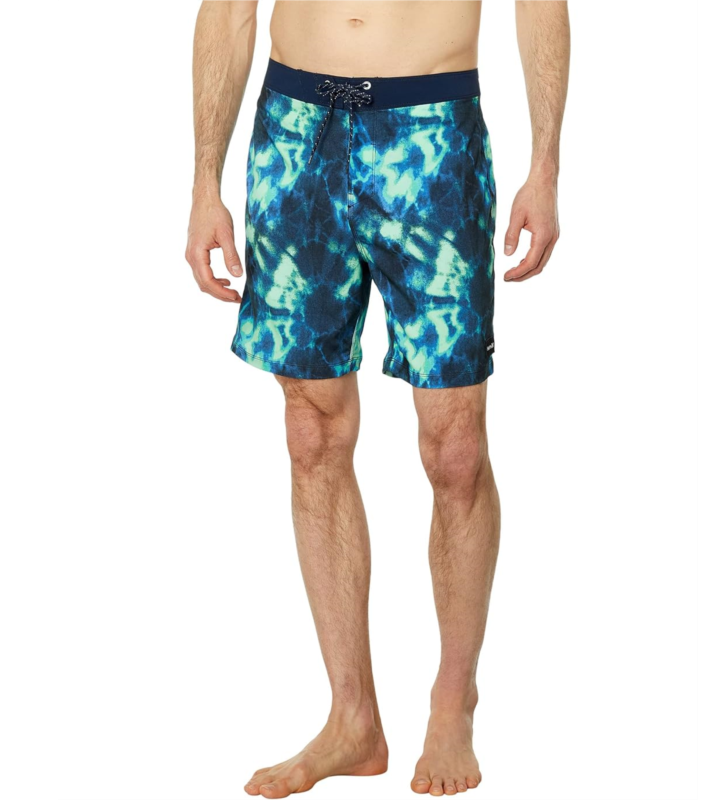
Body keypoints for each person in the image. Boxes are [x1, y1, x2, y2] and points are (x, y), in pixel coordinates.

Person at [185, 1, 570, 796]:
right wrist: (203, 181)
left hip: (432, 136)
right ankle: (351, 719)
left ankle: (452, 702)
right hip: (296, 134)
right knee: (311, 431)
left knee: (455, 448)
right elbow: (227, 9)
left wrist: (546, 165)